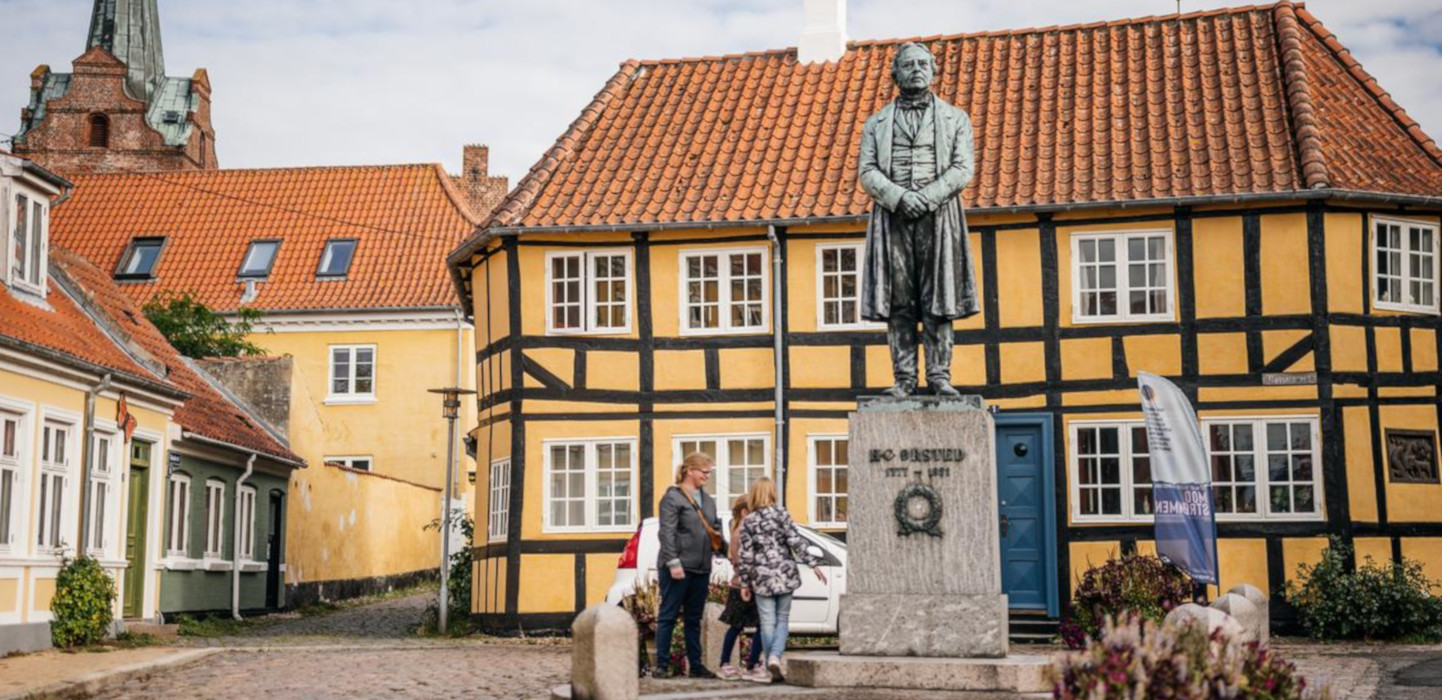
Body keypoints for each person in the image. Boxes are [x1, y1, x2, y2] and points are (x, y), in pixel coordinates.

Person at [858, 42, 981, 397]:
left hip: (939, 217)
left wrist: (926, 198)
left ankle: (939, 375)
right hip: (893, 218)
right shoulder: (876, 123)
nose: (916, 69)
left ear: (933, 70)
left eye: (922, 64)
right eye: (908, 64)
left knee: (939, 299)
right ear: (895, 73)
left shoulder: (956, 118)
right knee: (900, 300)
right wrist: (899, 197)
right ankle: (904, 379)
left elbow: (963, 168)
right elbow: (867, 171)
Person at [736, 478, 825, 683]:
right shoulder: (782, 514)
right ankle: (775, 656)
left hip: (762, 577)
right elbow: (796, 541)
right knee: (782, 618)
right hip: (785, 573)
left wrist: (743, 583)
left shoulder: (749, 521)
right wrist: (813, 564)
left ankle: (770, 665)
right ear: (772, 493)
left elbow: (746, 554)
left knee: (767, 621)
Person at [655, 452, 723, 679]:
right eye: (704, 472)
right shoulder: (672, 498)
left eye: (709, 473)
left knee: (694, 619)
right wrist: (673, 562)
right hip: (678, 567)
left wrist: (724, 548)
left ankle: (696, 665)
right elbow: (667, 532)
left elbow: (714, 528)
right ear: (690, 470)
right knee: (669, 616)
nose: (707, 476)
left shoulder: (709, 500)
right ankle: (662, 665)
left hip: (702, 567)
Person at [718, 495, 767, 683]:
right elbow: (742, 561)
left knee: (756, 625)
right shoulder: (741, 533)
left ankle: (751, 662)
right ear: (745, 512)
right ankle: (731, 663)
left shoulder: (743, 530)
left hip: (747, 584)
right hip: (742, 586)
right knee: (738, 625)